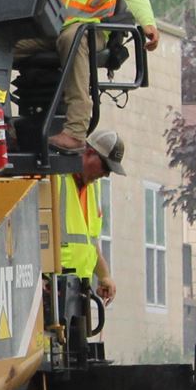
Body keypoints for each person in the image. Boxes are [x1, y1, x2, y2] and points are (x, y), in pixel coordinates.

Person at [54, 127, 124, 307]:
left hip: (76, 293)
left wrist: (104, 275)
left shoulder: (93, 188)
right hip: (51, 288)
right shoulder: (55, 179)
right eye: (105, 166)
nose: (106, 174)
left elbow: (91, 245)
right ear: (89, 153)